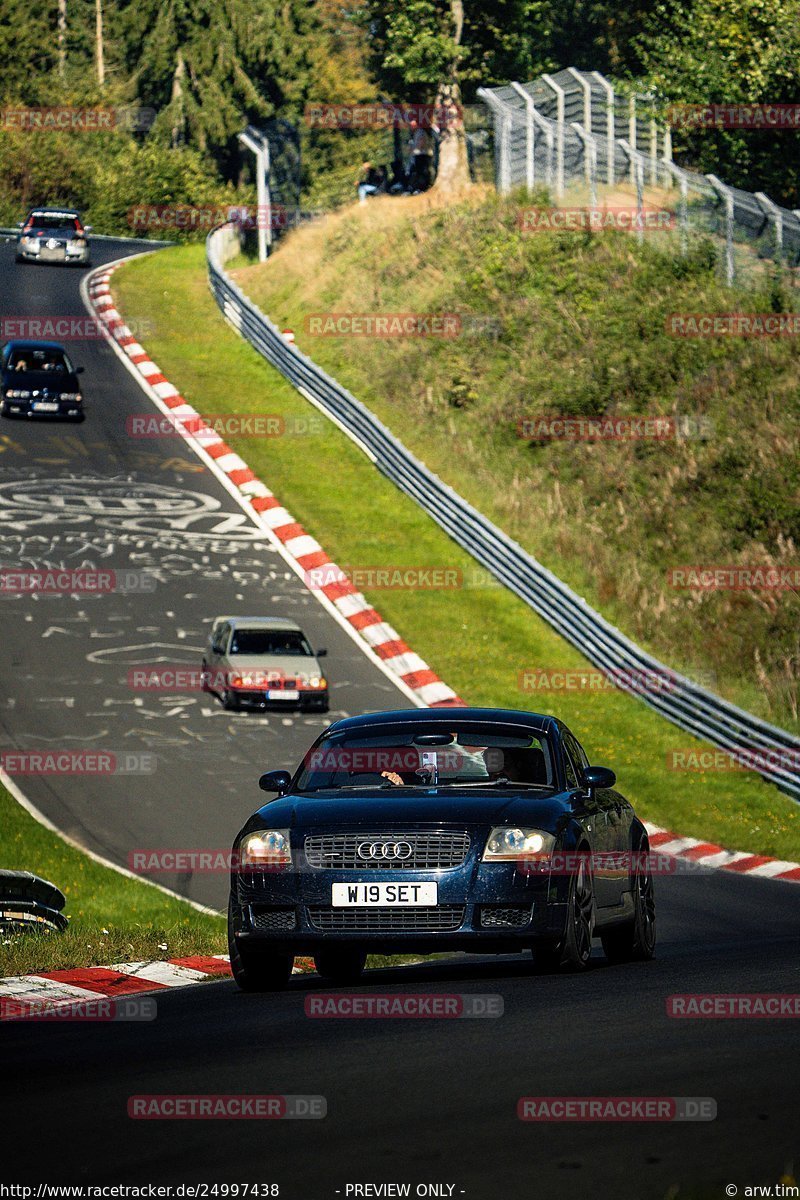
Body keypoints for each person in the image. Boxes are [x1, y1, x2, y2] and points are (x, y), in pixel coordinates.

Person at [407, 117, 433, 192]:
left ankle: (423, 187)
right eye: (411, 125)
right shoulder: (415, 133)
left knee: (422, 172)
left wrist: (413, 149)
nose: (411, 127)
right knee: (418, 172)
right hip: (418, 155)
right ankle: (418, 187)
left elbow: (421, 143)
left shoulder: (420, 132)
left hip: (423, 155)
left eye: (413, 125)